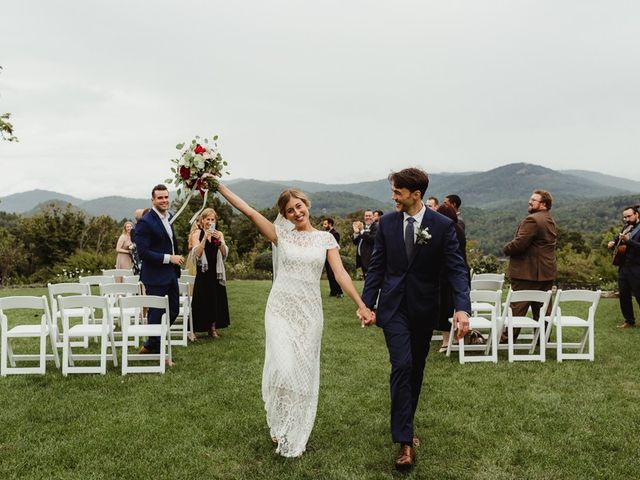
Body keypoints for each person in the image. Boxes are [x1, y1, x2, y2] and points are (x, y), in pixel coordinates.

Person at [215, 182, 374, 458]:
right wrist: (220, 187)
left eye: (299, 206)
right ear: (285, 215)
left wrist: (361, 305)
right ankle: (279, 420)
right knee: (283, 367)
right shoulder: (281, 236)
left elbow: (341, 275)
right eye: (290, 210)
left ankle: (292, 428)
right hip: (280, 310)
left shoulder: (326, 239)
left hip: (310, 313)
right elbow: (250, 212)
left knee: (302, 373)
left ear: (307, 205)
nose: (296, 213)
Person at [361, 167, 470, 471]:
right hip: (393, 307)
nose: (393, 196)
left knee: (416, 368)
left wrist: (463, 308)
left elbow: (457, 270)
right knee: (403, 365)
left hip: (424, 309)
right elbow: (377, 269)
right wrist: (367, 304)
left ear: (415, 194)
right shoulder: (386, 225)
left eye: (397, 192)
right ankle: (405, 441)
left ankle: (406, 424)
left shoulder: (442, 226)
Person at [135, 184, 184, 362]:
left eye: (166, 197)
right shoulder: (145, 222)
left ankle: (149, 345)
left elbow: (170, 242)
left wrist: (174, 261)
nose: (164, 200)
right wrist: (168, 258)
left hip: (171, 273)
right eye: (160, 198)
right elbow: (143, 253)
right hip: (154, 275)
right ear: (153, 200)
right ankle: (158, 351)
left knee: (174, 310)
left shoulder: (169, 217)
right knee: (156, 314)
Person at [502, 189, 557, 341]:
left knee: (517, 307)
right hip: (546, 271)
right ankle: (542, 339)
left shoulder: (532, 220)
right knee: (542, 308)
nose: (529, 201)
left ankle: (507, 339)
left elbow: (520, 243)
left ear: (543, 204)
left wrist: (506, 248)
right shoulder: (549, 219)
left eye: (534, 200)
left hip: (527, 271)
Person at [190, 208, 230, 338]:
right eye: (208, 219)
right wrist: (205, 238)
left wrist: (220, 242)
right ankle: (194, 329)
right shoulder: (197, 233)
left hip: (215, 271)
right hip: (203, 271)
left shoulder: (219, 234)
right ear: (202, 220)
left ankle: (212, 329)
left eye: (213, 219)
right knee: (200, 300)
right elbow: (196, 253)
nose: (210, 222)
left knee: (215, 299)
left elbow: (224, 253)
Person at [434, 203, 468, 353]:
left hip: (446, 273)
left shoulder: (446, 230)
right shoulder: (459, 229)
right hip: (460, 272)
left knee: (445, 307)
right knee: (454, 306)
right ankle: (455, 338)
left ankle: (446, 340)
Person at [607, 205, 640, 328]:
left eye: (629, 216)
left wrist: (629, 241)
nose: (626, 219)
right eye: (624, 217)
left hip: (637, 267)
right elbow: (619, 237)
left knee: (639, 294)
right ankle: (629, 321)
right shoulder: (627, 226)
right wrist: (613, 241)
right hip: (624, 267)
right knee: (624, 295)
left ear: (636, 214)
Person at [352, 210, 377, 278]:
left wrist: (362, 230)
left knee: (372, 280)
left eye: (369, 216)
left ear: (373, 217)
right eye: (366, 216)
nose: (368, 217)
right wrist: (356, 232)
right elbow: (355, 242)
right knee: (366, 279)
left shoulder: (376, 227)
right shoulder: (363, 227)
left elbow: (372, 240)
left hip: (371, 259)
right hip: (362, 259)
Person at [322, 217, 343, 297]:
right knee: (329, 275)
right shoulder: (325, 234)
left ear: (330, 224)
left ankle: (339, 292)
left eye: (325, 224)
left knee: (334, 274)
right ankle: (333, 292)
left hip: (333, 257)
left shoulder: (335, 233)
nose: (324, 226)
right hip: (326, 257)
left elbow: (335, 245)